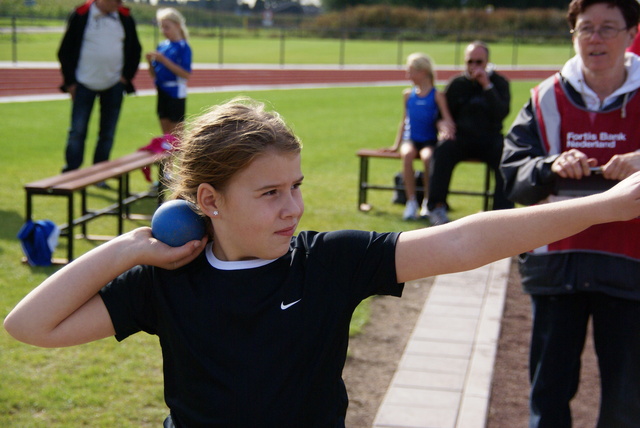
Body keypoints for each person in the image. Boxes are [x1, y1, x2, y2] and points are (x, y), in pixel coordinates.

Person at [6, 97, 640, 428]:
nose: (295, 208)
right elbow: (29, 326)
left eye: (297, 186)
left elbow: (465, 240)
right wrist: (128, 247)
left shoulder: (327, 262)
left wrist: (605, 208)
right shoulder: (165, 281)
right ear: (208, 201)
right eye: (271, 192)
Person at [500, 1, 640, 427]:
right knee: (548, 396)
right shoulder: (545, 97)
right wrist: (548, 166)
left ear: (633, 33)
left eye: (608, 28)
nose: (595, 38)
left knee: (627, 402)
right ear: (573, 34)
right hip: (556, 266)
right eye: (586, 28)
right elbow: (514, 174)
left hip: (630, 270)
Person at [427, 41, 514, 226]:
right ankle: (437, 207)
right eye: (470, 62)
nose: (474, 67)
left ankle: (501, 215)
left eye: (479, 62)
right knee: (443, 150)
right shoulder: (456, 84)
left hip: (490, 139)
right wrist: (442, 125)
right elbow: (441, 115)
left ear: (487, 61)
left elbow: (502, 112)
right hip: (461, 139)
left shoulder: (500, 83)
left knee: (506, 154)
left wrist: (487, 86)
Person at [58, 0, 142, 176]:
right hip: (83, 83)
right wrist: (70, 82)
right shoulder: (81, 14)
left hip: (114, 85)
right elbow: (65, 50)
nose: (120, 3)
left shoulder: (125, 17)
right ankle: (71, 172)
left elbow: (135, 49)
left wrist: (125, 78)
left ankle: (100, 173)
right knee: (77, 130)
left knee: (107, 133)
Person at [383, 53, 455, 221]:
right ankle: (411, 201)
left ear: (423, 72)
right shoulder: (408, 95)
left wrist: (445, 128)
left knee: (428, 158)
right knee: (406, 155)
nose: (408, 76)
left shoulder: (437, 95)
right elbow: (403, 121)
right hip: (411, 139)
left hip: (429, 140)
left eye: (411, 72)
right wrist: (396, 145)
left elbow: (447, 119)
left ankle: (428, 202)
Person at [146, 8, 192, 137]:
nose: (163, 31)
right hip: (162, 91)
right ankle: (168, 158)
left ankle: (177, 157)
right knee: (165, 136)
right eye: (162, 27)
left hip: (175, 92)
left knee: (177, 137)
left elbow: (186, 74)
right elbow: (153, 74)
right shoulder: (162, 46)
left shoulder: (183, 47)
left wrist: (164, 60)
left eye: (167, 27)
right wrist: (150, 62)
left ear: (177, 26)